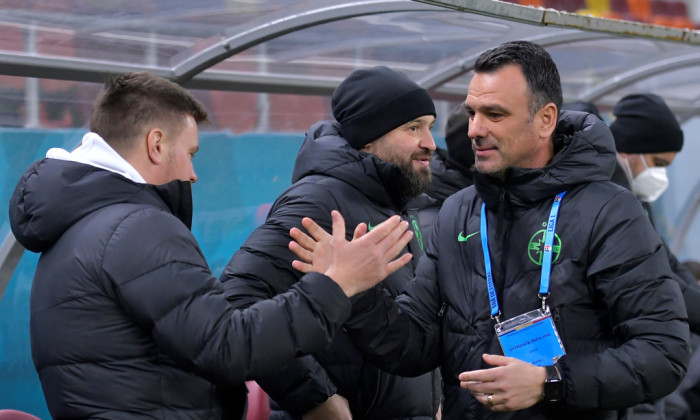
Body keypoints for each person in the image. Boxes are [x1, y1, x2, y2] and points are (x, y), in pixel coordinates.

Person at [291, 40, 691, 420]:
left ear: (545, 120)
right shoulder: (458, 212)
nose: (474, 130)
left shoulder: (609, 211)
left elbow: (663, 353)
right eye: (471, 113)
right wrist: (352, 291)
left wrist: (549, 382)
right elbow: (411, 345)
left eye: (494, 115)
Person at [7, 72, 415, 419]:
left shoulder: (77, 227)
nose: (193, 173)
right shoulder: (136, 226)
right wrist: (336, 284)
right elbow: (226, 346)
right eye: (191, 153)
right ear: (156, 144)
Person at [219, 66, 441, 419]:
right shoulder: (320, 200)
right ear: (368, 139)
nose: (430, 142)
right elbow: (234, 300)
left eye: (430, 125)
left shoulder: (395, 201)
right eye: (413, 127)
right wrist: (315, 397)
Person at [607, 93, 700, 420]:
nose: (661, 176)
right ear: (629, 151)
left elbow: (669, 264)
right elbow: (661, 277)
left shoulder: (636, 202)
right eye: (658, 163)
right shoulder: (609, 206)